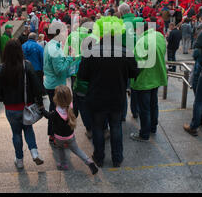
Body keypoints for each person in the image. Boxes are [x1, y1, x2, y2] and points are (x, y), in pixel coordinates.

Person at [77, 17, 139, 168]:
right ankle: (117, 158)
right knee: (116, 127)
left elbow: (82, 76)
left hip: (97, 97)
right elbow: (134, 73)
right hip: (117, 97)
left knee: (98, 127)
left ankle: (99, 158)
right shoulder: (125, 51)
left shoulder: (90, 52)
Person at [0, 39, 45, 169]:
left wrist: (2, 98)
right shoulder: (26, 65)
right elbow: (37, 86)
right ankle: (34, 152)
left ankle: (19, 159)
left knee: (16, 133)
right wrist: (39, 102)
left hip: (11, 108)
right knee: (28, 128)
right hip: (26, 105)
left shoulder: (1, 68)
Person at [40, 86, 98, 175]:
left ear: (56, 98)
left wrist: (42, 109)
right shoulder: (72, 108)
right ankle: (88, 161)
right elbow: (76, 115)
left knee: (60, 149)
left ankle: (64, 164)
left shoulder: (56, 113)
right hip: (70, 136)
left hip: (59, 138)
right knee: (77, 150)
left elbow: (48, 116)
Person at [130, 23, 168, 142]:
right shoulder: (159, 36)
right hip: (156, 77)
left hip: (144, 80)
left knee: (144, 108)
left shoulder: (142, 41)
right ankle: (153, 127)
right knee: (153, 104)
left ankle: (144, 134)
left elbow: (138, 64)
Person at [43, 22, 75, 143]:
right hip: (55, 85)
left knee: (54, 109)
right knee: (57, 112)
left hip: (52, 83)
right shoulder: (54, 48)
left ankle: (53, 135)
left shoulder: (51, 45)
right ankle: (55, 135)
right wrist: (69, 58)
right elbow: (59, 69)